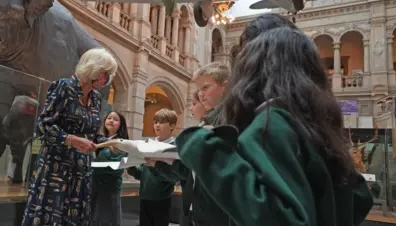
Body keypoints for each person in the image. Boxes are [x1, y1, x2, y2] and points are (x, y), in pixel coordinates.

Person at [175, 27, 373, 225]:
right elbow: (360, 197)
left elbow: (282, 218)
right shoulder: (312, 122)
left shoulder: (273, 123)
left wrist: (204, 149)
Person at [21, 48, 118, 226]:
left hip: (81, 172)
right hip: (56, 169)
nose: (107, 80)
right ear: (93, 69)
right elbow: (43, 126)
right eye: (105, 74)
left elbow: (93, 133)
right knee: (50, 218)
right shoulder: (64, 87)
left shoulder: (96, 98)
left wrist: (110, 143)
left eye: (109, 75)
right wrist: (71, 140)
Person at [147, 63, 230, 226]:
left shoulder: (230, 120)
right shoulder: (209, 121)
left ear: (224, 87)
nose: (201, 94)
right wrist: (159, 164)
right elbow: (189, 173)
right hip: (196, 207)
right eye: (199, 90)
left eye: (205, 87)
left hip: (216, 212)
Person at [127, 108, 178, 226]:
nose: (157, 125)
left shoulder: (174, 147)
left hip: (162, 198)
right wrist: (131, 168)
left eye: (161, 122)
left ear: (172, 125)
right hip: (145, 196)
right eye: (155, 122)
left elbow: (172, 176)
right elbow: (143, 174)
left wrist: (153, 165)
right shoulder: (148, 144)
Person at [91, 111, 129, 226]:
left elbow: (115, 167)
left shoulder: (122, 143)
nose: (111, 120)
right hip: (94, 186)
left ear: (121, 125)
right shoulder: (98, 140)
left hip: (109, 189)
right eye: (109, 118)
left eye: (115, 119)